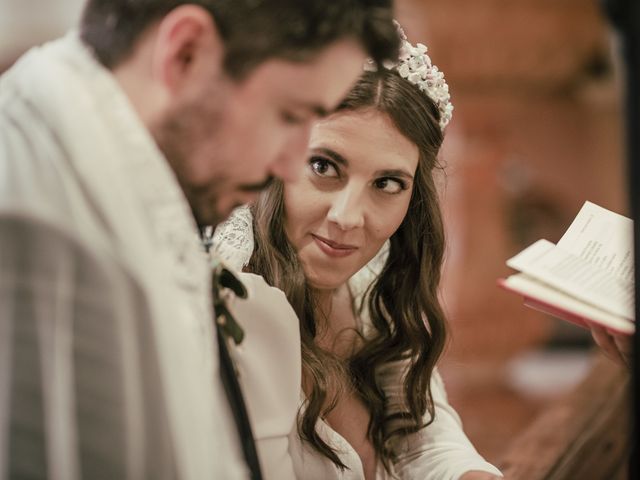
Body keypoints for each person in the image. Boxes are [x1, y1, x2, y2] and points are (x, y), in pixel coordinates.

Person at [0, 1, 400, 479]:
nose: (291, 165)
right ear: (185, 53)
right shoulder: (35, 223)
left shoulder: (124, 179)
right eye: (290, 116)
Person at [213, 26, 503, 479]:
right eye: (324, 167)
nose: (349, 218)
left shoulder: (372, 292)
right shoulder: (229, 309)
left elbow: (426, 439)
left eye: (387, 184)